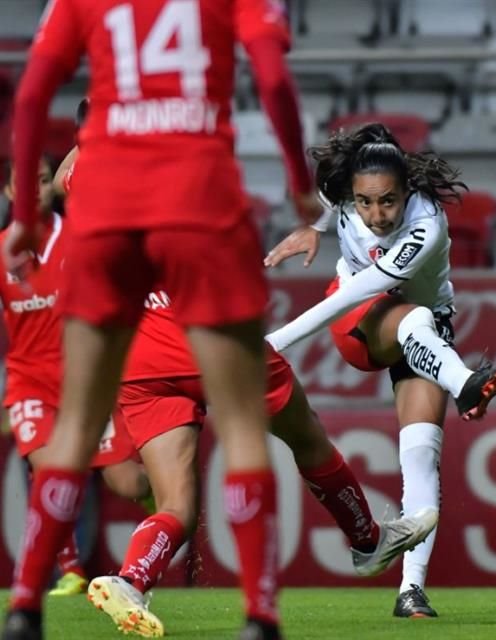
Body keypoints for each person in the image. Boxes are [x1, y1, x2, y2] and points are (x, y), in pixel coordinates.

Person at [3, 1, 322, 638]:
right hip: (198, 202)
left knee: (73, 430)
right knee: (241, 427)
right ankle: (260, 616)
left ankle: (24, 607)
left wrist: (27, 218)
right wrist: (297, 183)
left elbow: (34, 89)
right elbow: (274, 77)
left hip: (108, 210)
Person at [264, 123, 496, 618]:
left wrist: (274, 342)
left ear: (408, 192)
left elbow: (375, 281)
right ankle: (466, 384)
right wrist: (315, 229)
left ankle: (410, 591)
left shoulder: (428, 224)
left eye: (387, 201)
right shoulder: (341, 192)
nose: (376, 214)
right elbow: (356, 287)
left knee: (422, 454)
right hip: (356, 323)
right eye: (364, 203)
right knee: (415, 317)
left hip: (421, 336)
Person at [86, 293, 437, 637]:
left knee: (177, 506)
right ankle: (367, 542)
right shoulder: (207, 235)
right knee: (307, 438)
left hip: (140, 357)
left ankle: (131, 580)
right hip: (209, 338)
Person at [0, 155, 150, 598]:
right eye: (24, 184)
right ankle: (71, 570)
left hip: (87, 383)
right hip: (31, 382)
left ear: (55, 184)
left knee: (128, 482)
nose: (35, 191)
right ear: (10, 193)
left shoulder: (82, 239)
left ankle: (164, 508)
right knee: (49, 471)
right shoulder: (2, 250)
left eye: (43, 180)